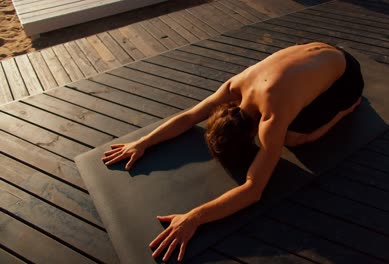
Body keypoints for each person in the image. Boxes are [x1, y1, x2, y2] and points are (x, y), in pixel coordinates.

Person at [102, 42, 364, 262]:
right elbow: (191, 116)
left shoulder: (271, 120)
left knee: (293, 138)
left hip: (346, 76)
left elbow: (253, 189)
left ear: (252, 135)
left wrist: (193, 218)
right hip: (321, 51)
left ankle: (349, 108)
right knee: (294, 114)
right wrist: (142, 142)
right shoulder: (234, 88)